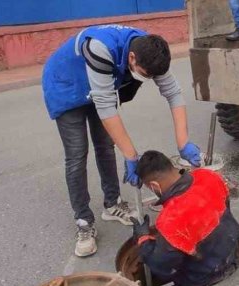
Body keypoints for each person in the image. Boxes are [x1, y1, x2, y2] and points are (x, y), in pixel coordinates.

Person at [42, 27, 201, 258]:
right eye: (145, 75)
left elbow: (173, 93)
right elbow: (106, 107)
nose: (148, 79)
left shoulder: (153, 52)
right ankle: (84, 221)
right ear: (132, 58)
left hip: (100, 85)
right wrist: (131, 156)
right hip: (66, 86)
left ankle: (112, 204)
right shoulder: (100, 49)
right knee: (77, 154)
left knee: (105, 146)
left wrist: (183, 142)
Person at [131, 150, 239, 286]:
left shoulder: (170, 219)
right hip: (230, 250)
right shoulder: (208, 176)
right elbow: (224, 207)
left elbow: (163, 266)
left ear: (154, 185)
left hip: (203, 277)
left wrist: (143, 239)